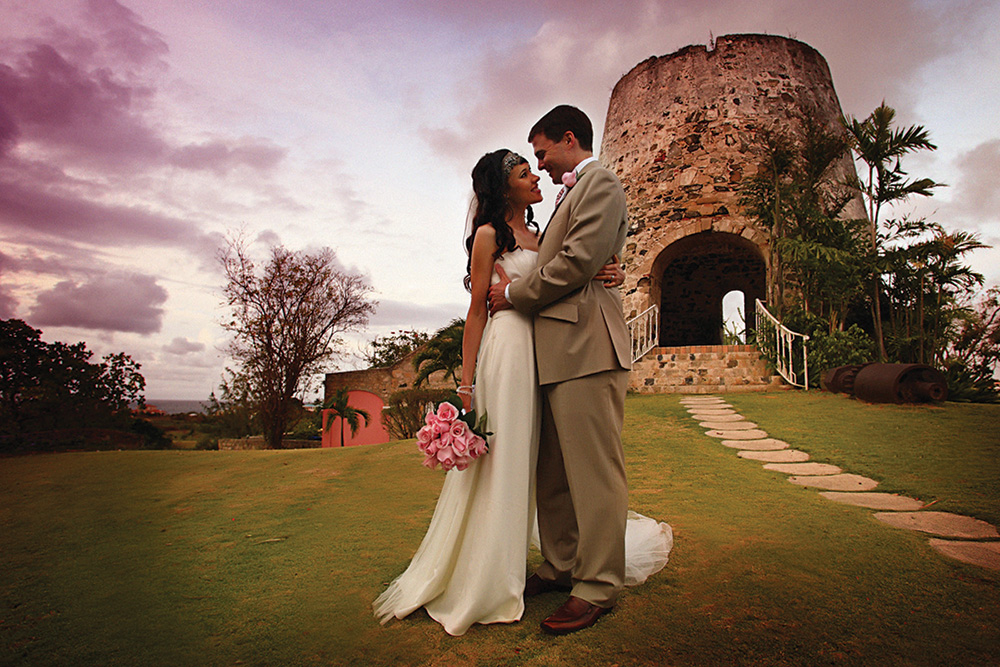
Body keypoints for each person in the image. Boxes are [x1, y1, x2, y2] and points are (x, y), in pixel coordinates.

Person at [373, 148, 669, 636]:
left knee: (548, 463)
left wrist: (609, 274)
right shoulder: (490, 236)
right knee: (507, 460)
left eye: (535, 165)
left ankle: (558, 565)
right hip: (510, 353)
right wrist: (465, 386)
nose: (535, 175)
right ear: (501, 186)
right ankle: (493, 572)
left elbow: (573, 269)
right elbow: (476, 313)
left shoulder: (545, 232)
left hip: (551, 350)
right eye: (523, 171)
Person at [486, 105, 633, 635]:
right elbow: (583, 259)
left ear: (569, 139)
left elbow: (574, 263)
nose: (541, 165)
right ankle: (562, 563)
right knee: (553, 473)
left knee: (593, 474)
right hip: (552, 352)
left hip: (587, 348)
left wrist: (512, 294)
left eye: (543, 152)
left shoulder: (602, 183)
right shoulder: (572, 193)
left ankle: (597, 586)